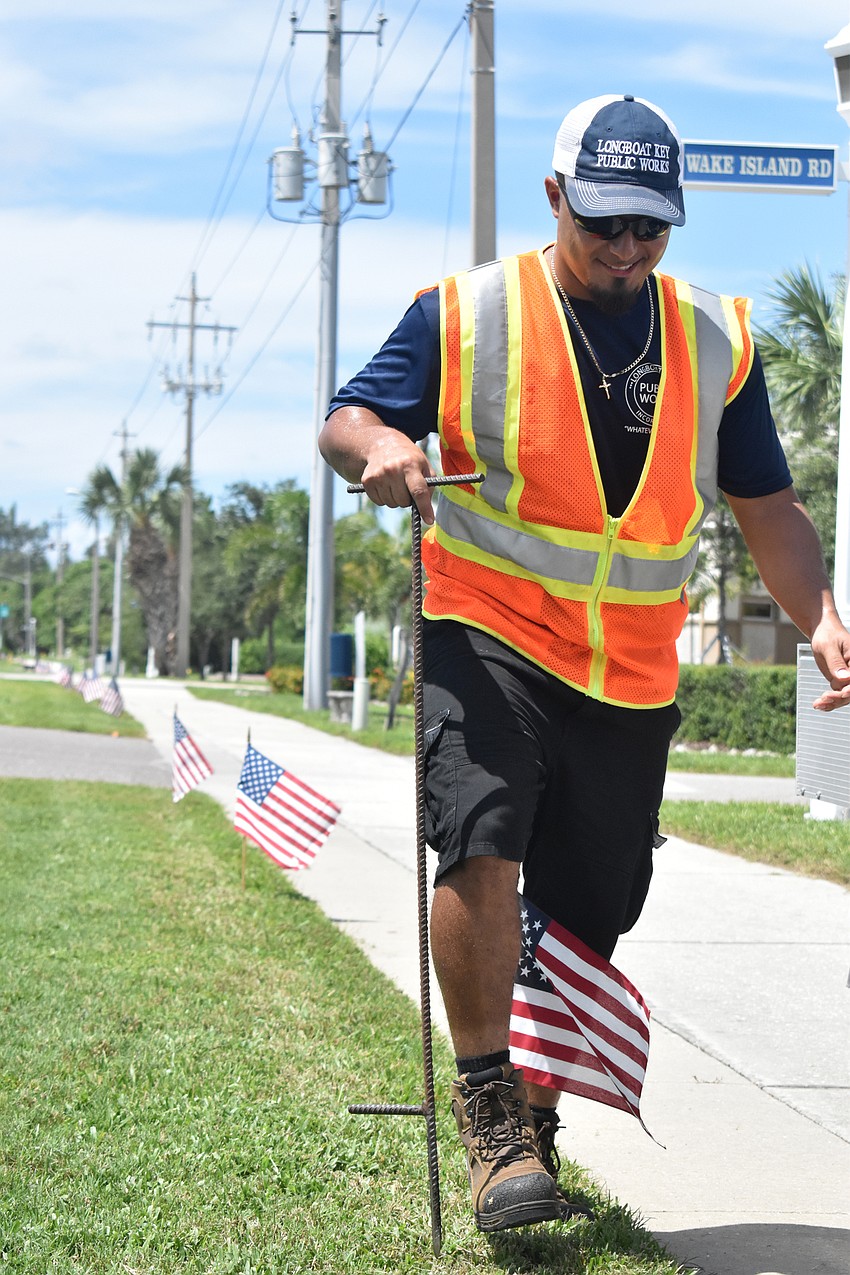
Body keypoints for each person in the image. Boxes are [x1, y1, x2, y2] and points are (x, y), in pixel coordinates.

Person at [319, 93, 850, 1233]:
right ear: (555, 198)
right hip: (488, 628)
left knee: (589, 910)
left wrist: (816, 614)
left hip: (633, 670)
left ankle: (538, 1117)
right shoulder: (465, 313)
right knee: (482, 837)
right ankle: (487, 1106)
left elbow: (765, 500)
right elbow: (347, 419)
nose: (623, 248)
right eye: (603, 221)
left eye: (648, 228)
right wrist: (384, 448)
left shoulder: (714, 337)